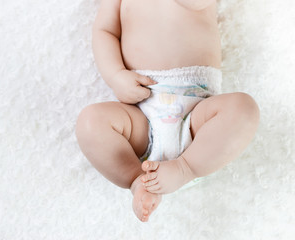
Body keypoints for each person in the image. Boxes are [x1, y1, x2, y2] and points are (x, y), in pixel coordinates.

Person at [76, 0, 260, 222]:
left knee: (243, 109)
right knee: (90, 121)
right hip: (142, 112)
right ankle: (137, 180)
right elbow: (105, 31)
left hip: (198, 114)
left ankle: (185, 168)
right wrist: (115, 76)